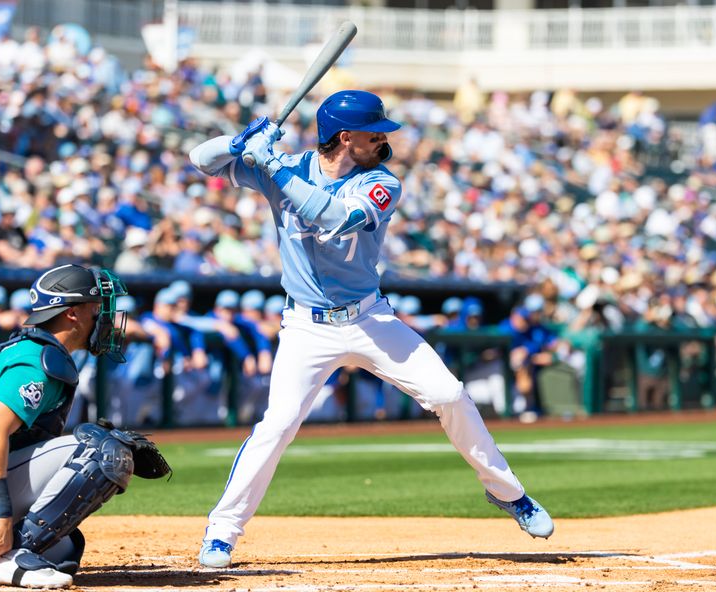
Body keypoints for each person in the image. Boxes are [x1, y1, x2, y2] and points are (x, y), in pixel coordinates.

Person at [190, 89, 554, 568]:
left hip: (369, 318)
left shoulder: (381, 180)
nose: (383, 139)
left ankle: (508, 493)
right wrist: (240, 142)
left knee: (447, 394)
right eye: (373, 132)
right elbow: (202, 160)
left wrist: (272, 165)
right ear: (345, 137)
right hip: (305, 325)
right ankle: (222, 532)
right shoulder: (287, 165)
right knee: (276, 425)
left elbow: (336, 217)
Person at [0, 264, 169, 588]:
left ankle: (9, 550)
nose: (105, 317)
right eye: (97, 308)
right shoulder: (36, 361)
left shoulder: (36, 351)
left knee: (64, 550)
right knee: (104, 449)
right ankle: (6, 556)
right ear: (73, 314)